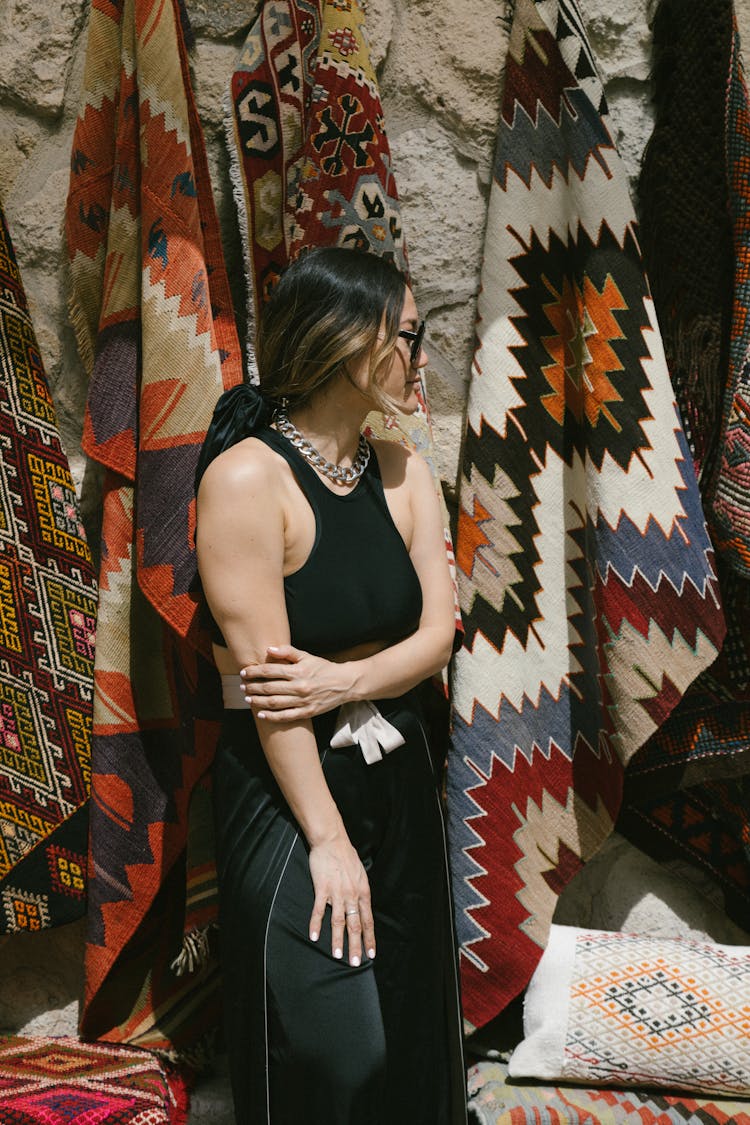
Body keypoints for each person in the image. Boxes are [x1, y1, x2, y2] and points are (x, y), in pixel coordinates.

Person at [195, 246, 467, 1125]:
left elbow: (438, 636)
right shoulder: (246, 481)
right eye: (410, 339)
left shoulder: (405, 469)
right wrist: (327, 839)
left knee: (413, 1034)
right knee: (337, 1051)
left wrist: (347, 676)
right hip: (292, 790)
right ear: (351, 341)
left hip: (399, 777)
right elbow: (275, 694)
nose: (421, 361)